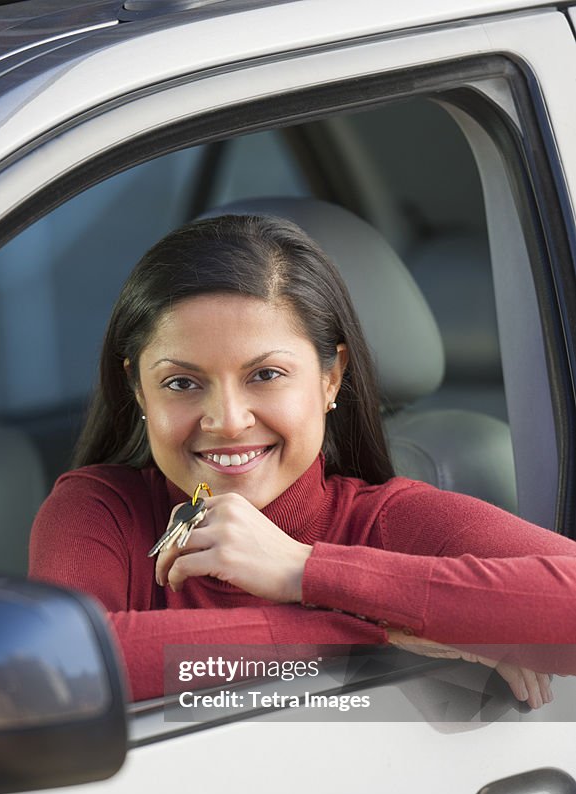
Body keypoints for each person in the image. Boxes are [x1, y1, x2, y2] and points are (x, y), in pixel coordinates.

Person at [29, 214, 576, 705]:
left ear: (330, 376)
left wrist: (303, 570)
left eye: (265, 375)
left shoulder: (383, 522)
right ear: (139, 391)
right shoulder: (101, 509)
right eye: (181, 382)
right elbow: (64, 669)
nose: (227, 418)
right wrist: (373, 628)